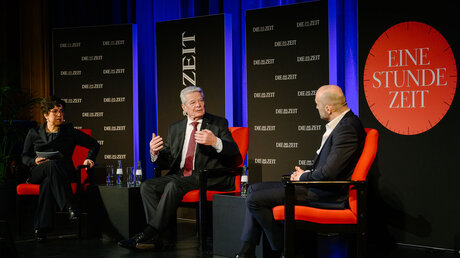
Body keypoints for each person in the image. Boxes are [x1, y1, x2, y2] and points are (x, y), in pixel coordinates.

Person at [235, 85, 366, 257]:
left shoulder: (347, 128)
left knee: (254, 199)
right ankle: (248, 250)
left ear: (328, 108)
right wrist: (304, 174)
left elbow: (330, 173)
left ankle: (283, 249)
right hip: (317, 186)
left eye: (317, 104)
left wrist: (304, 176)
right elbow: (330, 166)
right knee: (253, 189)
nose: (316, 107)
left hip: (327, 194)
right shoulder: (342, 123)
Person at [118, 86, 242, 250]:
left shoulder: (218, 123)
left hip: (207, 176)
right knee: (148, 186)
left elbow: (234, 152)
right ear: (184, 107)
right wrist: (154, 153)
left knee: (174, 185)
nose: (199, 105)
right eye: (193, 102)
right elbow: (168, 160)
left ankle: (150, 233)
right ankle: (164, 237)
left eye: (201, 100)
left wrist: (215, 142)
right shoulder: (175, 128)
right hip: (181, 174)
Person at [21, 96, 100, 241]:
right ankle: (69, 206)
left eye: (62, 111)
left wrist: (89, 158)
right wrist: (34, 160)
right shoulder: (34, 133)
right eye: (55, 111)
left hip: (64, 173)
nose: (59, 115)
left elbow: (94, 144)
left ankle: (41, 227)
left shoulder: (69, 132)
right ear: (46, 115)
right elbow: (24, 157)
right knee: (50, 165)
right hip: (38, 171)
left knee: (48, 183)